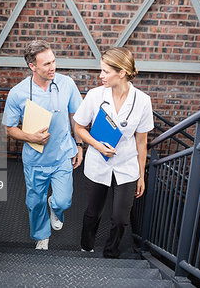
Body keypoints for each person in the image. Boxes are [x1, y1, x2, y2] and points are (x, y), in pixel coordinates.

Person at [73, 47, 153, 258]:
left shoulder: (143, 101)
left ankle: (111, 253)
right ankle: (86, 247)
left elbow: (142, 142)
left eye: (105, 71)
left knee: (120, 218)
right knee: (93, 213)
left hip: (127, 166)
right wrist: (97, 146)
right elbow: (78, 127)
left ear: (122, 72)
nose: (101, 76)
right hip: (98, 163)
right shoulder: (94, 95)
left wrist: (141, 175)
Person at [3, 40, 83, 250]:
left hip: (63, 155)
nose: (52, 67)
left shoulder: (66, 84)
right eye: (46, 64)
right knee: (35, 203)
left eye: (53, 61)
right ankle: (42, 236)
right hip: (35, 160)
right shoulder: (18, 93)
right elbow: (10, 129)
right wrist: (31, 137)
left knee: (64, 201)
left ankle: (55, 206)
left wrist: (80, 144)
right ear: (32, 66)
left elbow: (76, 116)